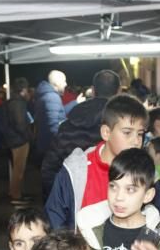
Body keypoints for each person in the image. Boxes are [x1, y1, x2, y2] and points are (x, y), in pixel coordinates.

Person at [45, 94, 147, 230]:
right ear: (106, 132)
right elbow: (55, 220)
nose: (136, 141)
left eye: (140, 134)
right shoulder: (77, 170)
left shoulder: (145, 171)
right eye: (127, 132)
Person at [41, 70, 120, 198]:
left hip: (73, 196)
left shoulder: (69, 122)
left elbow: (50, 166)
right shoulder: (124, 125)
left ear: (93, 90)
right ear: (119, 91)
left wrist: (57, 203)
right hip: (113, 200)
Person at [1, 79, 34, 206]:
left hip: (15, 139)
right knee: (18, 170)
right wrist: (28, 137)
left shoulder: (14, 102)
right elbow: (20, 125)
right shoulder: (18, 103)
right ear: (24, 89)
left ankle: (16, 192)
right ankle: (16, 196)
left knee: (17, 169)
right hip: (19, 141)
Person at [33, 70, 67, 163]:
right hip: (52, 148)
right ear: (56, 83)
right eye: (64, 81)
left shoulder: (47, 95)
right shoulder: (52, 97)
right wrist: (62, 146)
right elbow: (53, 127)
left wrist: (75, 103)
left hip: (46, 145)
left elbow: (57, 113)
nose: (66, 84)